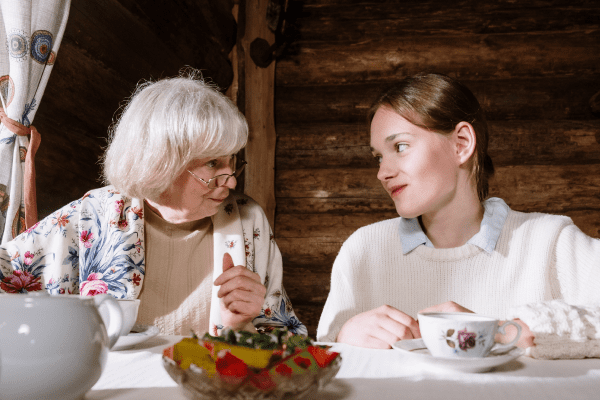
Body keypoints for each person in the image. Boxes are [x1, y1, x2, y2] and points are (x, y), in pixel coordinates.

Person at [0, 71, 307, 337]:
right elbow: (8, 273)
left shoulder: (248, 220)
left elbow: (286, 338)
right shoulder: (93, 214)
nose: (232, 181)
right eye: (213, 163)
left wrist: (242, 325)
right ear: (161, 164)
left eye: (233, 162)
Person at [316, 73, 600, 359]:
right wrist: (341, 339)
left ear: (462, 143)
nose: (382, 172)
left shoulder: (551, 240)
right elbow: (318, 365)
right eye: (378, 156)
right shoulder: (362, 249)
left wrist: (501, 332)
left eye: (400, 147)